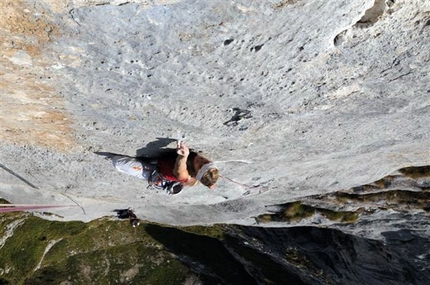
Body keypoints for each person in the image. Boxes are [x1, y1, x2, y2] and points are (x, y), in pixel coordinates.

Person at [111, 142, 219, 194]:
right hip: (162, 162)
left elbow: (179, 169)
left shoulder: (185, 176)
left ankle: (168, 184)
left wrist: (184, 156)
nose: (201, 160)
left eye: (200, 166)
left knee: (118, 162)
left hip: (155, 171)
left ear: (196, 174)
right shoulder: (200, 161)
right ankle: (173, 185)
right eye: (205, 162)